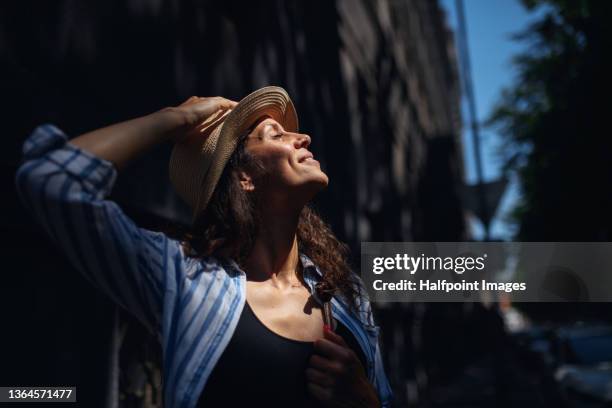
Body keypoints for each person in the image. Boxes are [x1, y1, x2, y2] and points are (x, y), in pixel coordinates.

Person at [16, 86, 393, 407]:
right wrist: (173, 119)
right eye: (275, 136)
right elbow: (51, 179)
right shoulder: (186, 280)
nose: (303, 137)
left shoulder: (346, 293)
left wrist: (366, 399)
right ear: (245, 177)